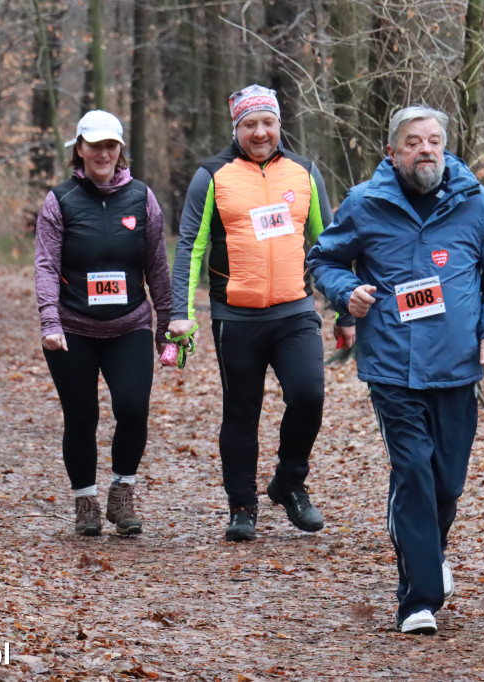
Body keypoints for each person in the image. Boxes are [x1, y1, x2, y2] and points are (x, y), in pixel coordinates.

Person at [306, 105, 484, 634]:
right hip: (392, 368)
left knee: (447, 483)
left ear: (444, 149)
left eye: (433, 141)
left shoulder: (474, 205)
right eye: (412, 142)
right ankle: (417, 598)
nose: (424, 150)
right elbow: (323, 260)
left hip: (456, 367)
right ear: (393, 152)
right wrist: (344, 292)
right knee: (413, 474)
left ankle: (429, 555)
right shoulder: (365, 204)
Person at [168, 85, 351, 542]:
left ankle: (289, 481)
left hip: (295, 312)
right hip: (237, 316)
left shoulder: (305, 172)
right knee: (241, 413)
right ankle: (242, 506)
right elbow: (190, 246)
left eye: (267, 122)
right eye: (250, 124)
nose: (260, 132)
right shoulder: (212, 175)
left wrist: (344, 309)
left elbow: (328, 246)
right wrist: (180, 310)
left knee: (309, 396)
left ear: (278, 124)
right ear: (237, 128)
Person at [34, 109, 172, 537]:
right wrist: (49, 321)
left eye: (110, 145)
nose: (103, 153)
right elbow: (44, 264)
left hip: (129, 324)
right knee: (82, 416)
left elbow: (157, 264)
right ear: (79, 149)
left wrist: (167, 323)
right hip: (73, 329)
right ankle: (86, 501)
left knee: (133, 408)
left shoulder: (142, 198)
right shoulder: (60, 201)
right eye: (94, 145)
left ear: (120, 150)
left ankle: (122, 491)